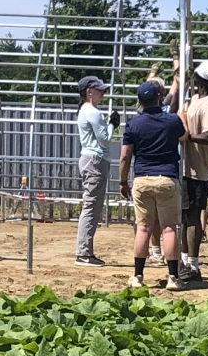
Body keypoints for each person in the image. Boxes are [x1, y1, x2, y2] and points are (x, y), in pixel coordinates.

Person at [118, 77, 185, 290]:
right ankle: (173, 277)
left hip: (142, 179)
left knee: (143, 228)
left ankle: (138, 276)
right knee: (169, 229)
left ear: (139, 100)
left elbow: (125, 157)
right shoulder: (172, 121)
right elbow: (184, 136)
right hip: (167, 178)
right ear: (159, 98)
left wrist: (122, 181)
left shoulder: (133, 124)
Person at [177, 57, 208, 283]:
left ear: (198, 79)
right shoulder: (195, 99)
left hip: (198, 170)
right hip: (188, 168)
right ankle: (185, 261)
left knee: (193, 216)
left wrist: (190, 137)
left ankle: (193, 265)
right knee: (185, 216)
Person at [73, 75, 111, 267]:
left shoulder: (85, 110)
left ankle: (85, 251)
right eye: (99, 90)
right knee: (92, 206)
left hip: (91, 159)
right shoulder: (93, 112)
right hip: (95, 160)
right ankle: (83, 252)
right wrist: (112, 125)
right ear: (89, 91)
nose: (102, 93)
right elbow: (104, 139)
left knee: (92, 206)